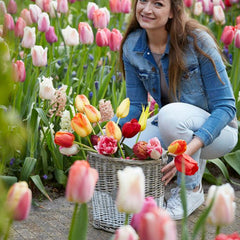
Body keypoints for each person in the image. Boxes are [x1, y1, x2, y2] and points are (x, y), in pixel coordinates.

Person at [114, 0, 238, 220]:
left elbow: (226, 107)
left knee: (170, 115)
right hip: (178, 129)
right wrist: (108, 130)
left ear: (173, 11)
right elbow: (136, 106)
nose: (147, 9)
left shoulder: (197, 41)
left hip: (219, 133)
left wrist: (190, 149)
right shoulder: (132, 46)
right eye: (143, 1)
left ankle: (190, 190)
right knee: (128, 142)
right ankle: (162, 187)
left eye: (158, 4)